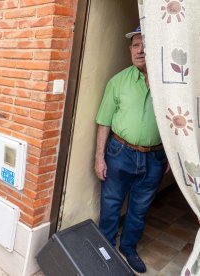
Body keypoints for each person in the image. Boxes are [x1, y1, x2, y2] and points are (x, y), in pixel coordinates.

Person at [94, 26, 167, 273]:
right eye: (136, 45)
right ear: (130, 49)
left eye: (145, 45)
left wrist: (170, 155)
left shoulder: (168, 84)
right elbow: (104, 120)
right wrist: (99, 157)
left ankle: (129, 247)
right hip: (119, 152)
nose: (140, 50)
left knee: (140, 207)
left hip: (155, 157)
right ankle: (105, 246)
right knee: (112, 202)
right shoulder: (118, 81)